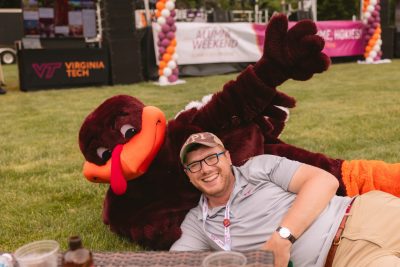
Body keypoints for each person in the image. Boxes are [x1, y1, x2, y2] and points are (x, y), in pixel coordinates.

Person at [170, 132, 400, 267]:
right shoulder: (197, 223)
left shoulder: (259, 167)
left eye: (212, 157)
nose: (206, 169)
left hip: (365, 214)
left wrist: (282, 238)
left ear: (227, 157)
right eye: (194, 164)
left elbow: (324, 181)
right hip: (346, 259)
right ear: (188, 175)